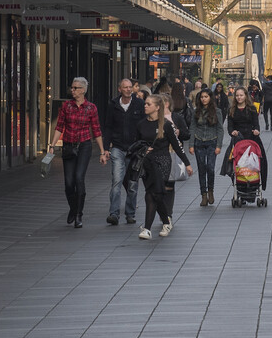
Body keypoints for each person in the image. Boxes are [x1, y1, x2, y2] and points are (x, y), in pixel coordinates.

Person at [131, 94, 191, 240]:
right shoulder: (141, 124)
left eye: (148, 104)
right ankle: (166, 221)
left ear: (157, 107)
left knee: (152, 194)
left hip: (162, 161)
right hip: (146, 163)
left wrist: (187, 164)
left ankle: (147, 229)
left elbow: (177, 146)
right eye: (145, 103)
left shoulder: (166, 125)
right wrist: (143, 149)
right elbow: (135, 144)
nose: (145, 106)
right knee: (155, 194)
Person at [50, 77, 107, 228]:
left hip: (84, 146)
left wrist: (102, 152)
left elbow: (96, 130)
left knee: (79, 178)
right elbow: (59, 127)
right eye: (72, 88)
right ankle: (73, 208)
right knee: (69, 183)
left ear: (82, 90)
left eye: (75, 88)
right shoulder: (66, 106)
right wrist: (52, 145)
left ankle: (78, 214)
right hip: (68, 145)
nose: (72, 90)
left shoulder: (91, 108)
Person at [101, 78, 147, 226]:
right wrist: (105, 149)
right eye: (125, 87)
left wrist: (145, 146)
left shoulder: (139, 104)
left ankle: (130, 213)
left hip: (134, 149)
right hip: (118, 148)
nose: (128, 90)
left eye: (130, 87)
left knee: (133, 184)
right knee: (117, 181)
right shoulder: (113, 105)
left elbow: (144, 125)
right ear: (119, 89)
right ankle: (114, 213)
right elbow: (108, 127)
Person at [221, 87, 266, 191]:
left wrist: (256, 131)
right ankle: (239, 185)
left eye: (241, 95)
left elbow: (256, 124)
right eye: (237, 95)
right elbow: (230, 126)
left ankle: (256, 184)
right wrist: (232, 132)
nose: (239, 97)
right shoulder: (231, 110)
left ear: (246, 96)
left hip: (251, 138)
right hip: (238, 139)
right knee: (235, 162)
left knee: (260, 160)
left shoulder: (252, 108)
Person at [186, 89, 222, 206]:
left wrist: (219, 145)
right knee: (201, 169)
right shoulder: (196, 111)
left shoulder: (217, 111)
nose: (204, 99)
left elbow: (220, 129)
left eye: (206, 96)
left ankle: (211, 190)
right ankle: (204, 195)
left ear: (210, 98)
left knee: (210, 168)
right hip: (199, 142)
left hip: (212, 141)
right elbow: (192, 128)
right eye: (202, 97)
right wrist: (191, 145)